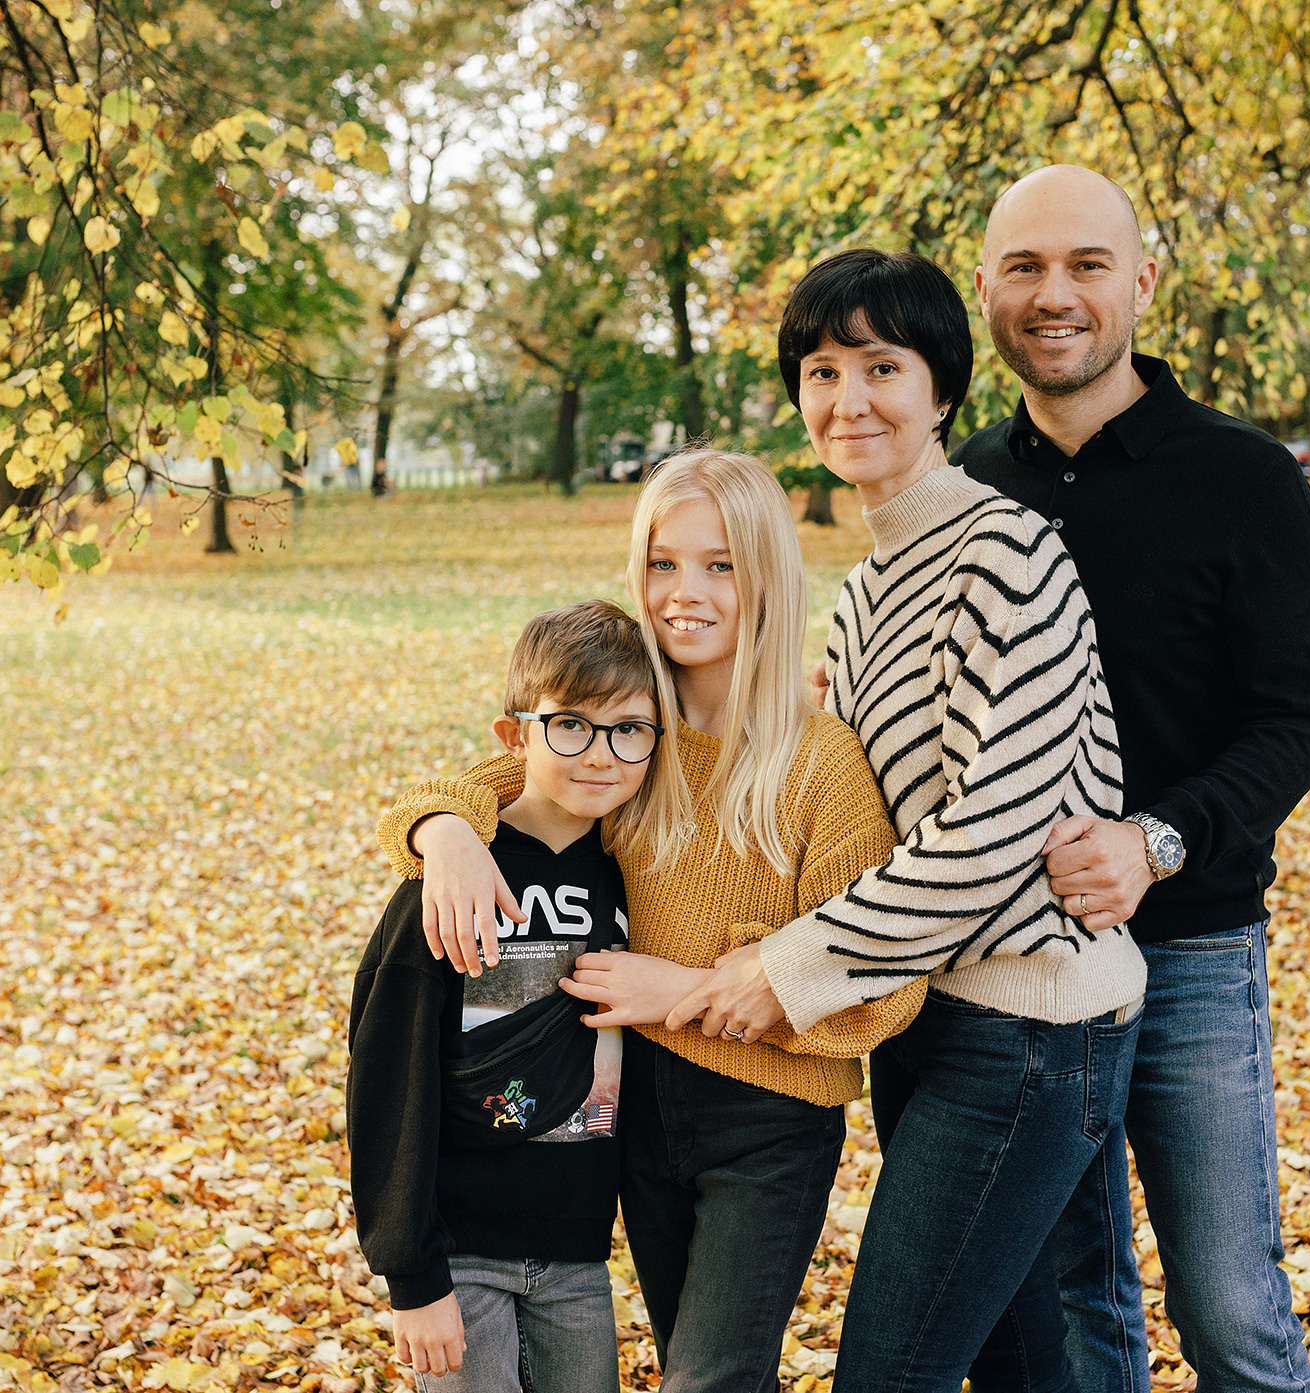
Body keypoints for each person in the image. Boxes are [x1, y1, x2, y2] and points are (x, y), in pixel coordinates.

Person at [668, 248, 1143, 1393]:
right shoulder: (875, 583)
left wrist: (787, 968)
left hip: (1029, 1028)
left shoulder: (1008, 551)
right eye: (821, 370)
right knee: (1024, 1371)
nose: (848, 398)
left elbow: (986, 839)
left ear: (942, 390)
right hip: (929, 1019)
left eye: (882, 366)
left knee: (889, 1372)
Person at [375, 450, 925, 1393]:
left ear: (769, 578)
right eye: (664, 563)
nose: (685, 592)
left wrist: (693, 992)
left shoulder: (822, 764)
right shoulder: (635, 733)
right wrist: (447, 831)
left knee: (705, 1381)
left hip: (769, 1122)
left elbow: (885, 986)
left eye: (721, 565)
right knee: (688, 1365)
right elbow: (509, 771)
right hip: (639, 1115)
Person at [955, 165, 1310, 1393]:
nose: (1052, 294)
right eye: (1023, 267)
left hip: (1186, 955)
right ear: (984, 290)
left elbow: (1297, 719)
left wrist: (1155, 839)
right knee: (1078, 1307)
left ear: (1142, 281)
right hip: (1019, 964)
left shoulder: (1241, 476)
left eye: (1082, 265)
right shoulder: (960, 485)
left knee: (1228, 1306)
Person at [347, 601, 661, 1390]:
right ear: (514, 734)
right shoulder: (455, 877)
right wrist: (412, 1277)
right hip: (461, 1255)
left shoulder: (637, 871)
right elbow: (386, 1075)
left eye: (629, 728)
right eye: (570, 725)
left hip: (580, 1256)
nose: (601, 753)